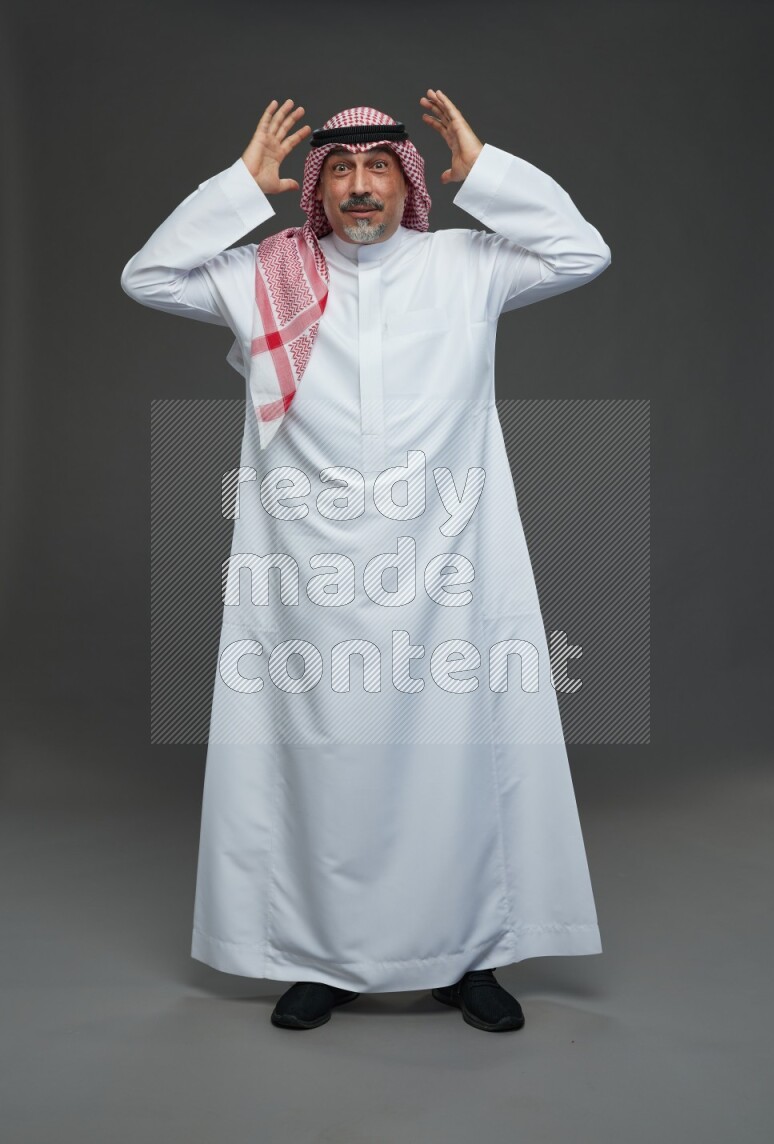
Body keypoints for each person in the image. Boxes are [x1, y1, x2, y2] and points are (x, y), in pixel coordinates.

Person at [121, 91, 611, 1034]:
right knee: (324, 764)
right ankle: (322, 956)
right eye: (339, 170)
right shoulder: (272, 273)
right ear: (316, 189)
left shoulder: (467, 264)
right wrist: (237, 190)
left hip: (449, 571)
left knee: (457, 762)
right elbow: (148, 276)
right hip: (310, 580)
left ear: (407, 182)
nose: (358, 187)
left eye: (378, 167)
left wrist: (488, 172)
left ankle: (469, 957)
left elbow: (582, 252)